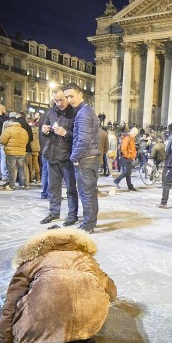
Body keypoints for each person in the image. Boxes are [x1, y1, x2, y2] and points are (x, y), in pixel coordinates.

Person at [64, 82, 101, 233]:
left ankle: (88, 224)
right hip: (89, 158)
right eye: (67, 97)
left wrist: (74, 157)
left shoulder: (84, 113)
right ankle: (91, 222)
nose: (69, 100)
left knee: (86, 193)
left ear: (80, 95)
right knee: (90, 192)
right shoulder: (86, 111)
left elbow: (84, 140)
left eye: (72, 96)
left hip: (86, 159)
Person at [39, 87, 79, 226]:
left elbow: (79, 137)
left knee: (70, 188)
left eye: (61, 99)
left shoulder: (75, 113)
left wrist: (65, 133)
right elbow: (45, 128)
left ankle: (72, 215)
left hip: (67, 157)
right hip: (52, 154)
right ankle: (54, 213)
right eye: (56, 100)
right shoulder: (51, 112)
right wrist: (45, 130)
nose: (59, 103)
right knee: (53, 188)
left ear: (67, 98)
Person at [0, 118, 29, 190]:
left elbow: (2, 141)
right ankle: (22, 185)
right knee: (21, 169)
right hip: (21, 152)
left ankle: (12, 185)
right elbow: (27, 140)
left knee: (11, 169)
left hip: (11, 152)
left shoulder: (8, 130)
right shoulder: (23, 130)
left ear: (10, 122)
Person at [113, 127, 138, 192]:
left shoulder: (132, 138)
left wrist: (133, 156)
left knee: (128, 173)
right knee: (127, 172)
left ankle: (130, 186)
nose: (135, 135)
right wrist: (128, 156)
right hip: (127, 157)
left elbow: (133, 149)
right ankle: (117, 180)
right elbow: (123, 148)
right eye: (134, 133)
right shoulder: (127, 138)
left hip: (130, 157)